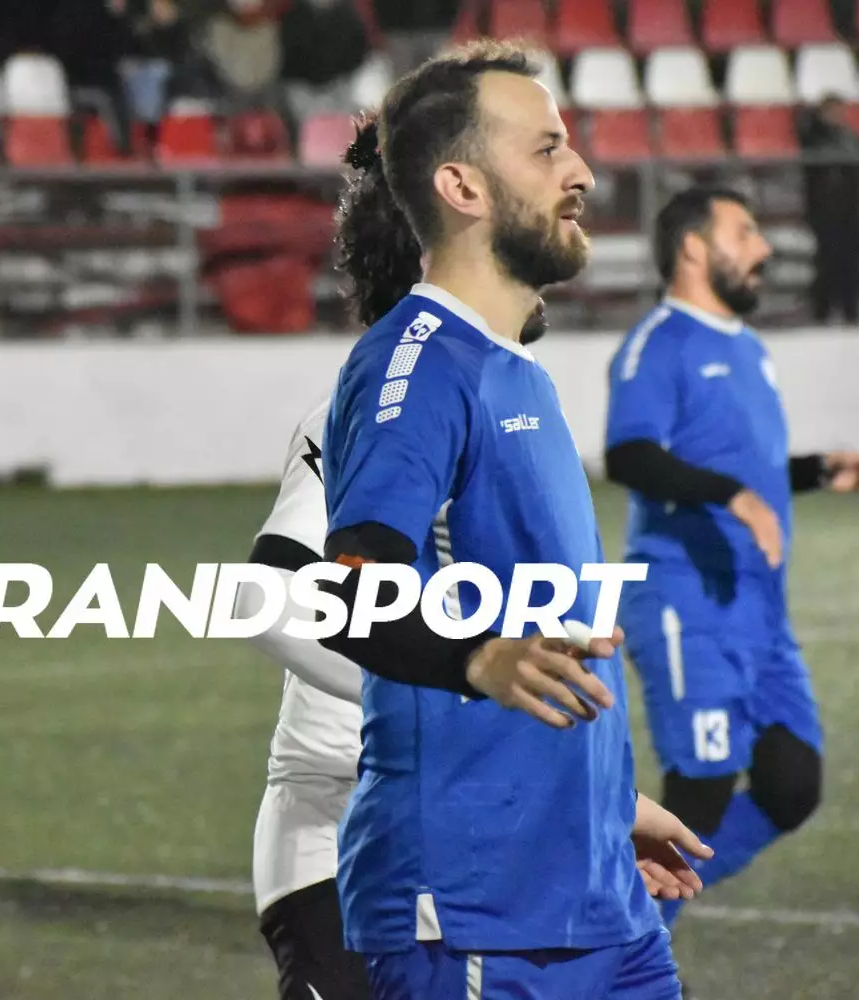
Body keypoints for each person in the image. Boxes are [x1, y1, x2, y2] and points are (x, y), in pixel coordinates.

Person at [275, 39, 711, 999]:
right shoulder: (415, 363)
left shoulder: (514, 371)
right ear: (462, 186)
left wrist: (601, 808)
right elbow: (348, 592)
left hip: (593, 898)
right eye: (547, 149)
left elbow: (538, 639)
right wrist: (475, 657)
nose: (581, 172)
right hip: (474, 910)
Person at [603, 187, 859, 934]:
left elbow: (745, 469)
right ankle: (622, 956)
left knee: (791, 785)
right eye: (746, 232)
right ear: (693, 247)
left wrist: (818, 470)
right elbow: (630, 455)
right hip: (685, 600)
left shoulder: (748, 348)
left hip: (758, 609)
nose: (763, 249)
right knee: (699, 790)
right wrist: (733, 496)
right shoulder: (658, 342)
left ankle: (621, 918)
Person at [798, 95, 859, 325]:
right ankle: (823, 310)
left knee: (853, 258)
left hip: (850, 209)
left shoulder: (850, 137)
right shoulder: (813, 137)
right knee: (827, 260)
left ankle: (851, 309)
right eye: (831, 112)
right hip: (825, 210)